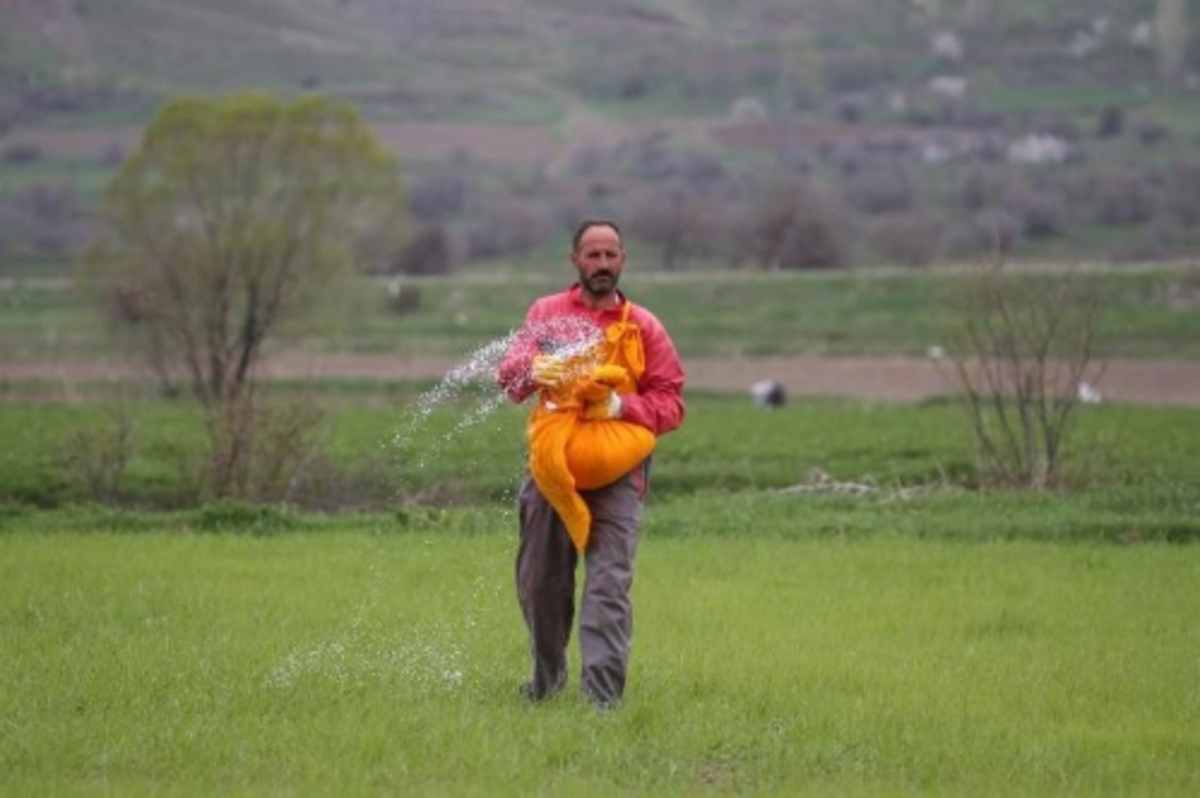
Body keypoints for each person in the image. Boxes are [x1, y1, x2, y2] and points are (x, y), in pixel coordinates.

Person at [496, 219, 686, 709]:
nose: (603, 265)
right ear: (575, 260)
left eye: (611, 255)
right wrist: (539, 369)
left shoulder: (644, 326)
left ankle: (601, 703)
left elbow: (672, 404)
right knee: (540, 583)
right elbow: (511, 381)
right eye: (593, 255)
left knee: (607, 588)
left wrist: (622, 408)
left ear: (623, 260)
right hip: (553, 470)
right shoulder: (547, 314)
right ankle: (545, 685)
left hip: (618, 477)